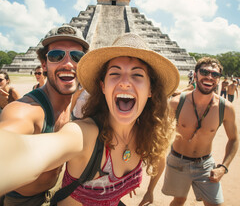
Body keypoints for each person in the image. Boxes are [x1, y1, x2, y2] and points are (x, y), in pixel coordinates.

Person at [0, 33, 179, 205]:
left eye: (137, 75)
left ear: (150, 90)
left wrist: (131, 184)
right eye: (115, 73)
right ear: (102, 86)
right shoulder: (84, 133)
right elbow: (23, 153)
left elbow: (160, 156)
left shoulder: (149, 133)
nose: (125, 82)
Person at [0, 25, 89, 206]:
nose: (68, 64)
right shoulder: (27, 109)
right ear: (44, 65)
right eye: (56, 56)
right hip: (23, 200)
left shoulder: (78, 102)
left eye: (77, 56)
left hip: (57, 192)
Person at [162, 57, 239, 206]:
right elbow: (158, 133)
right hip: (177, 162)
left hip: (205, 165)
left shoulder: (226, 108)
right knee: (178, 201)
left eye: (215, 74)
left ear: (218, 79)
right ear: (195, 74)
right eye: (204, 72)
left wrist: (223, 167)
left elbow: (234, 139)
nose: (209, 77)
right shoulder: (176, 103)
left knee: (215, 204)